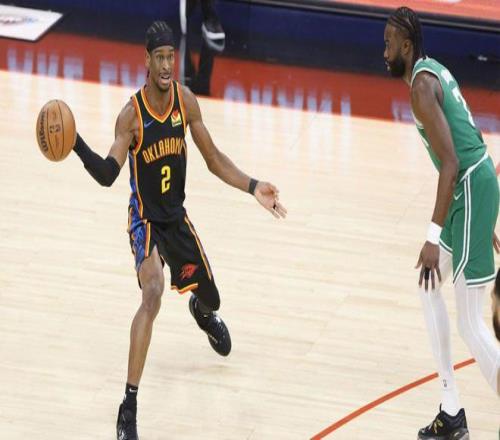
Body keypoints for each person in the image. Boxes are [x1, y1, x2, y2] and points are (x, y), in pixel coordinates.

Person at [72, 21, 286, 440]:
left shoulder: (185, 102)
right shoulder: (131, 116)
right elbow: (107, 174)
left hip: (176, 219)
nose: (168, 65)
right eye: (160, 58)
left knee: (212, 297)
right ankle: (128, 407)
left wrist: (253, 186)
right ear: (147, 60)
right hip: (146, 221)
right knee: (152, 293)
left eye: (172, 56)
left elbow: (214, 159)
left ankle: (201, 312)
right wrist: (76, 143)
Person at [384, 6, 500, 440]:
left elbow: (451, 163)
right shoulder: (432, 71)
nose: (384, 51)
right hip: (470, 194)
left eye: (389, 44)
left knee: (470, 321)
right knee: (428, 285)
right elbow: (468, 140)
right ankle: (451, 410)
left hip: (467, 189)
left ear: (406, 46)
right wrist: (482, 216)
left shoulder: (421, 87)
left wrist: (433, 236)